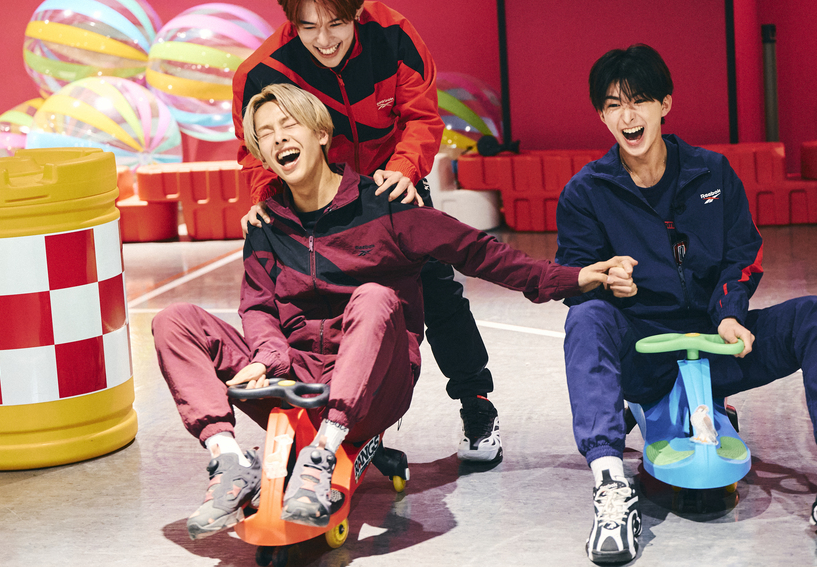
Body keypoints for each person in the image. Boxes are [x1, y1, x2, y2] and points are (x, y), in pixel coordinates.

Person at [156, 83, 621, 538]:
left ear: (321, 133)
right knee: (174, 320)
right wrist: (267, 358)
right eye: (265, 134)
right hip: (292, 379)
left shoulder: (385, 207)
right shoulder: (266, 226)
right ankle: (229, 459)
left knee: (375, 296)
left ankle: (323, 454)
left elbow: (482, 254)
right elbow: (257, 307)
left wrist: (573, 277)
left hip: (376, 383)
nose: (278, 139)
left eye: (288, 125)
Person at [556, 44, 817, 564]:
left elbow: (742, 254)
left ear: (665, 104)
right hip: (646, 354)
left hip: (718, 343)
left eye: (638, 101)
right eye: (614, 105)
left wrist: (730, 313)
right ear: (601, 115)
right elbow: (573, 276)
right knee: (586, 319)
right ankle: (612, 488)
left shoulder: (712, 173)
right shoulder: (586, 192)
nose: (627, 116)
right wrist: (606, 283)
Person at [232, 0, 503, 464]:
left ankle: (477, 403)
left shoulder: (394, 36)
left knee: (438, 291)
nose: (324, 39)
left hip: (393, 184)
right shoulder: (263, 71)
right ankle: (334, 415)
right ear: (291, 22)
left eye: (336, 23)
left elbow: (421, 117)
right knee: (313, 305)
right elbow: (254, 148)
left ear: (357, 9)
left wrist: (402, 170)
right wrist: (265, 197)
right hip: (315, 202)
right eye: (308, 27)